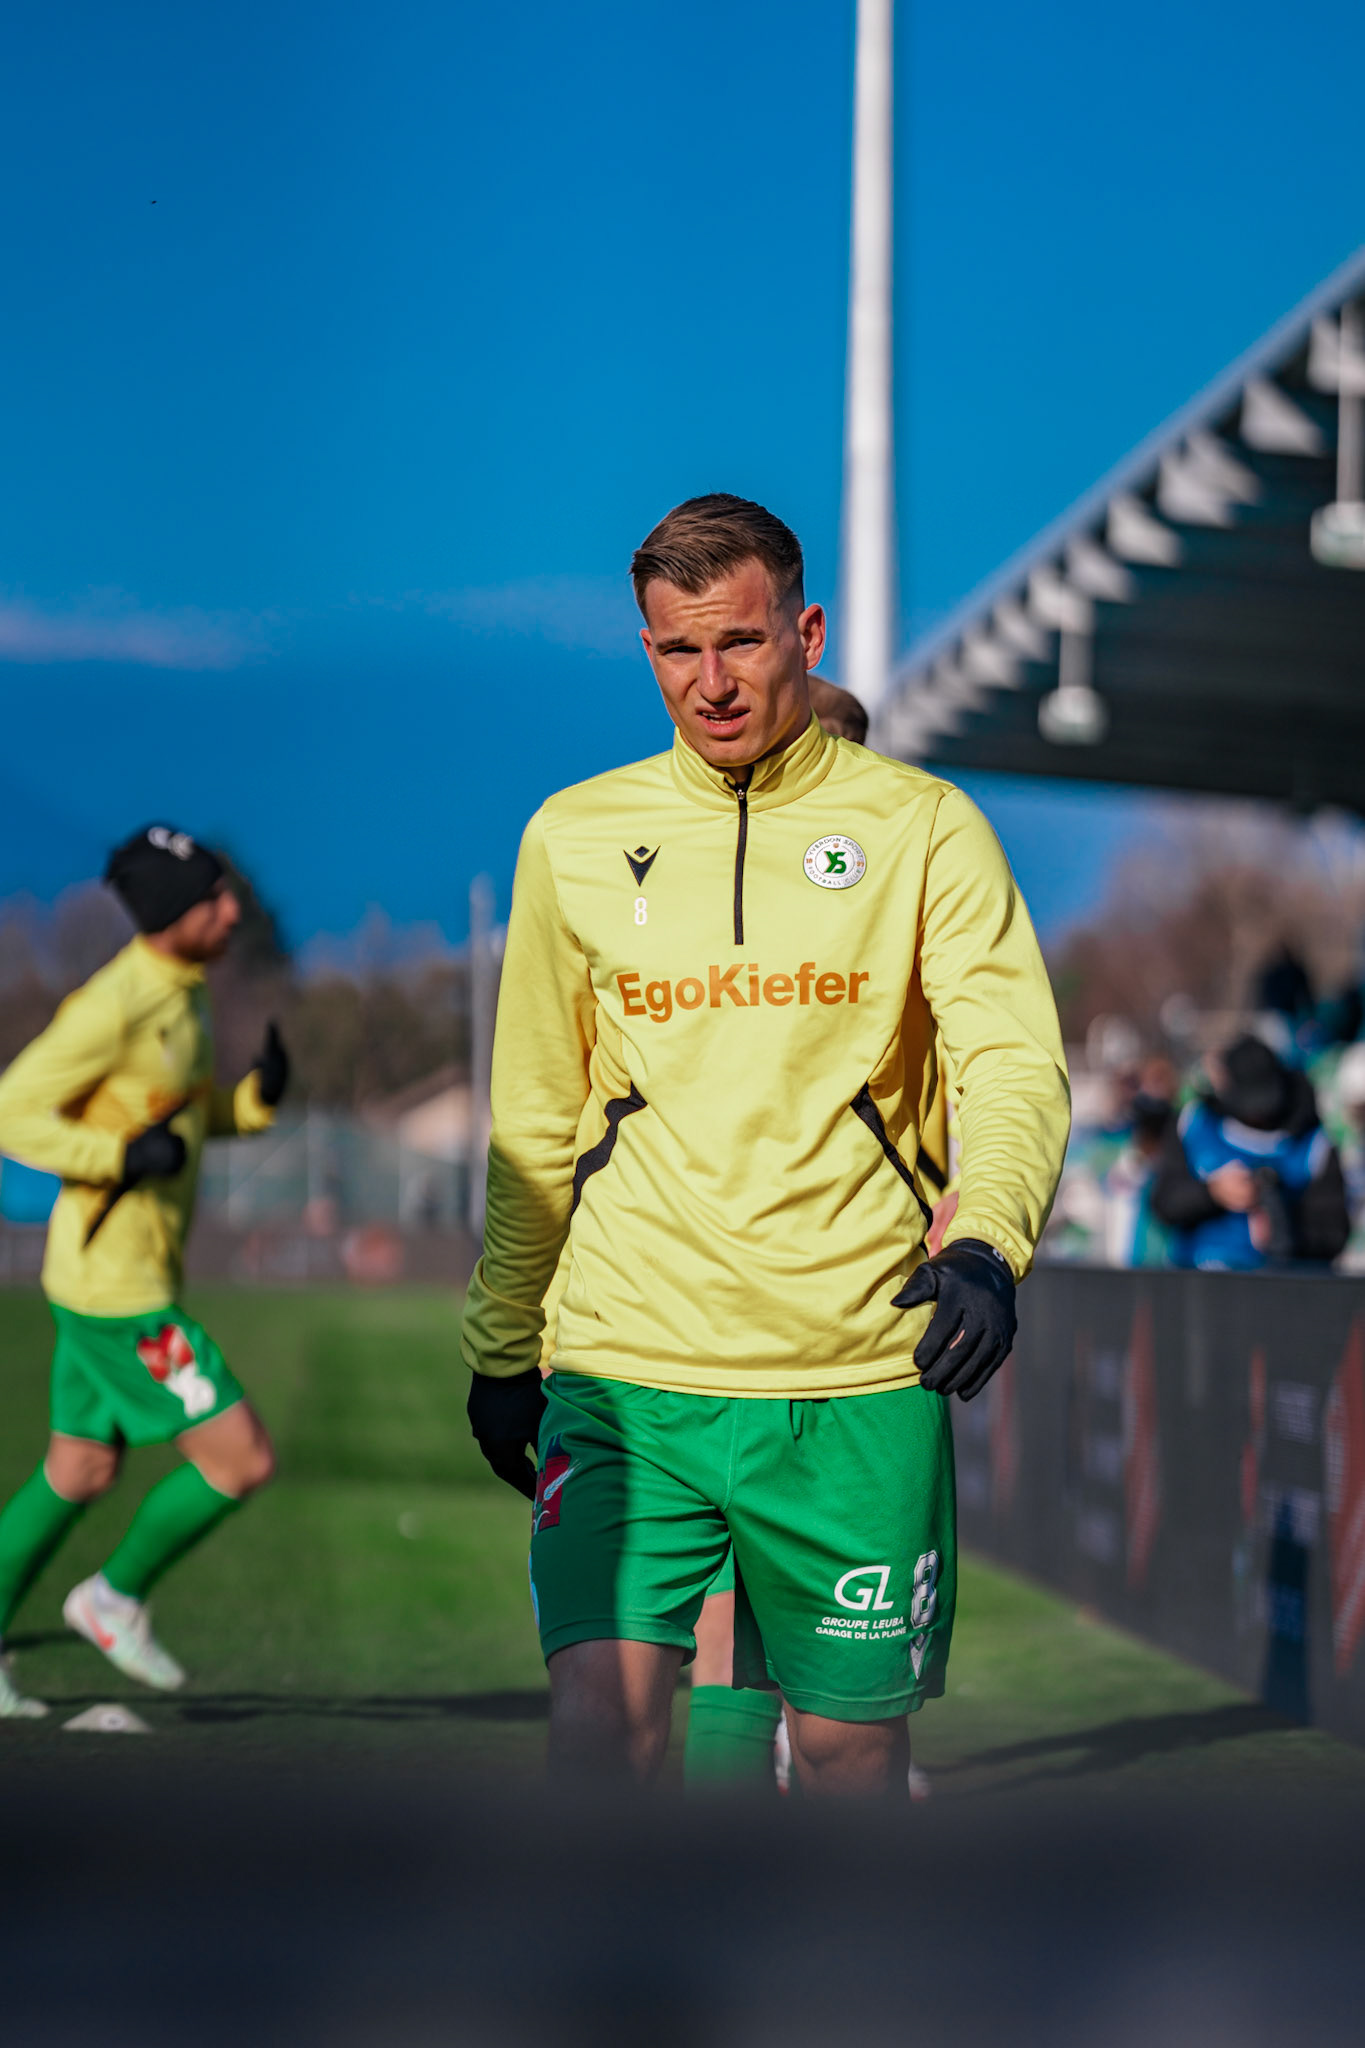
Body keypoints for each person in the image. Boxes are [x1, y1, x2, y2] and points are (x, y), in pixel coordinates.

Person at [463, 493, 1069, 1794]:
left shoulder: (924, 827)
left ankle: (832, 2000)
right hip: (626, 1370)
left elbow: (1010, 1060)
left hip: (852, 1373)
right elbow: (534, 1116)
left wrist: (986, 1243)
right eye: (679, 651)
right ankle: (617, 2001)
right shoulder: (571, 839)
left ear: (804, 629)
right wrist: (506, 1340)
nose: (712, 681)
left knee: (848, 1756)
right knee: (600, 1734)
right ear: (646, 651)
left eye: (739, 642)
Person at [0, 827, 289, 1717]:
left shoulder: (185, 995)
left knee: (79, 1470)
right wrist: (117, 1156)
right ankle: (111, 1599)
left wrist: (250, 1102)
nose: (233, 909)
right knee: (240, 1460)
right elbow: (12, 1112)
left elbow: (182, 1123)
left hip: (110, 1283)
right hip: (118, 1297)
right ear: (172, 914)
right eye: (213, 898)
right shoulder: (114, 1005)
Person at [1151, 1034, 1348, 1269]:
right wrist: (1212, 1193)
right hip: (1196, 1281)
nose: (1258, 1115)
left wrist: (1284, 1226)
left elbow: (1334, 1233)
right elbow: (1163, 1203)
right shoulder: (1193, 1124)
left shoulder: (1314, 1145)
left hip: (1281, 1289)